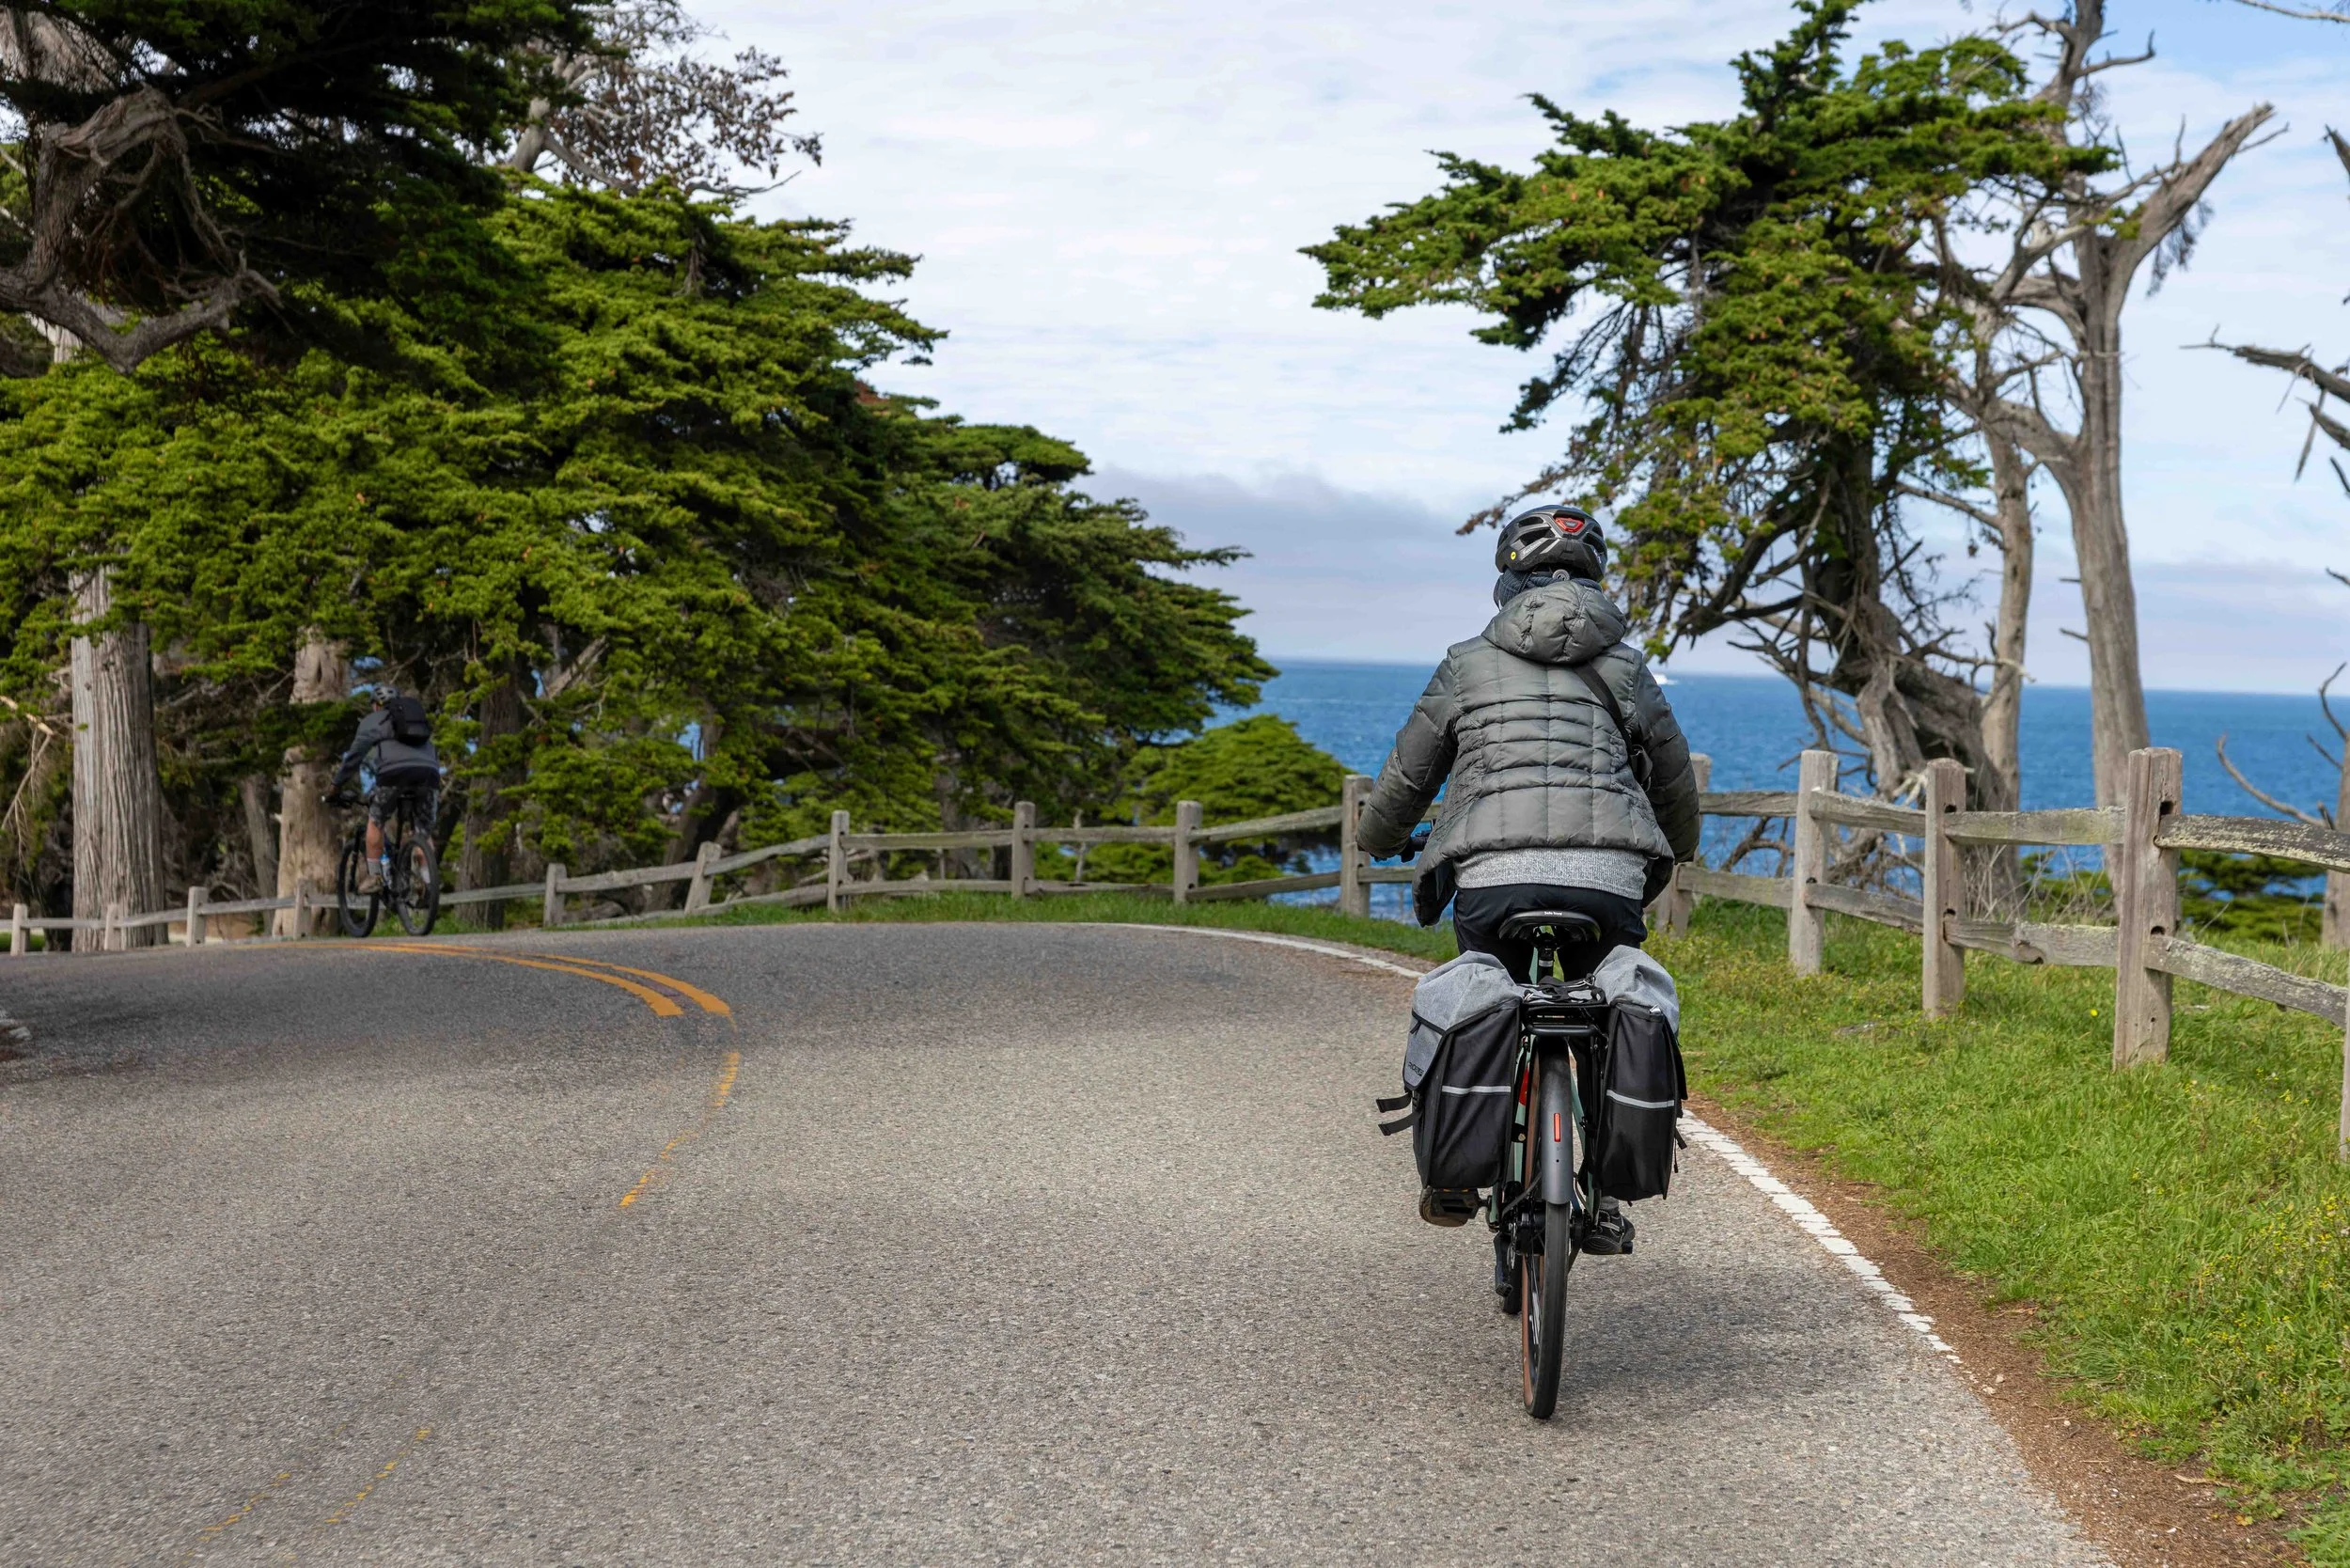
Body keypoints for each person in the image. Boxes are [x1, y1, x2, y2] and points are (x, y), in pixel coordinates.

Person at [1356, 504, 1700, 1256]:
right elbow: (1673, 779)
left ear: (1507, 582)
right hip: (1607, 879)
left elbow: (1410, 774)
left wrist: (1374, 839)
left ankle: (1458, 1167)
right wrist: (1680, 848)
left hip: (1494, 876)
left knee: (1484, 990)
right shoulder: (1627, 668)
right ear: (1596, 581)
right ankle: (1606, 1194)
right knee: (1607, 1005)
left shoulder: (1465, 663)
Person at [328, 684, 443, 893]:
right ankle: (429, 885)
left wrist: (335, 787)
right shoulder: (414, 719)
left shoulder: (373, 721)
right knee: (423, 833)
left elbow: (354, 757)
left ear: (376, 705)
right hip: (429, 774)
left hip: (394, 774)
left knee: (376, 821)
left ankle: (375, 877)